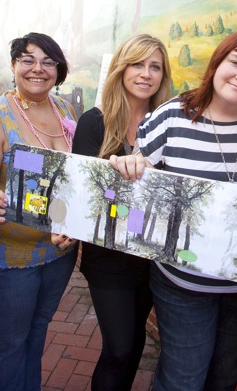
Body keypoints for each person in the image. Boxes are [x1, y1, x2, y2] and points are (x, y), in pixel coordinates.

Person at [112, 30, 237, 391]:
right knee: (183, 378)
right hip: (182, 281)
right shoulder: (172, 117)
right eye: (235, 62)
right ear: (217, 63)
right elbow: (138, 180)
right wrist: (130, 167)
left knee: (224, 378)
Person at [0, 32, 79, 391]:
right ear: (14, 65)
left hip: (57, 253)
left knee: (36, 335)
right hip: (7, 259)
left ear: (59, 70)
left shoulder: (64, 110)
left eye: (48, 62)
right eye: (28, 60)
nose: (38, 69)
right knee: (6, 345)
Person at [72, 34, 173, 391]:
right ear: (120, 68)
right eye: (137, 64)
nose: (146, 73)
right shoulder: (94, 122)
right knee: (118, 348)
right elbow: (87, 194)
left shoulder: (168, 125)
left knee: (135, 342)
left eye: (155, 66)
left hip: (150, 257)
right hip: (108, 256)